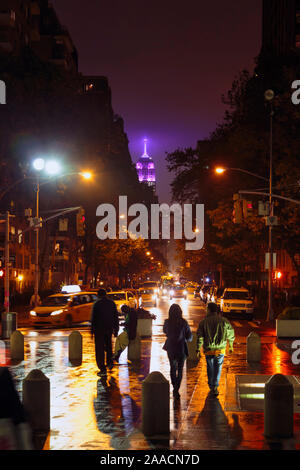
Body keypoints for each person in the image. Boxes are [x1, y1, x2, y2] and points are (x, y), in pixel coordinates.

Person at [197, 302, 235, 396]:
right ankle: (215, 386)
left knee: (210, 368)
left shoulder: (203, 322)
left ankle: (211, 386)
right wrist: (230, 345)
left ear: (209, 310)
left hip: (209, 349)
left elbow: (200, 337)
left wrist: (198, 349)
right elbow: (230, 333)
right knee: (218, 367)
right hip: (220, 349)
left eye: (207, 309)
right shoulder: (224, 321)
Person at [163, 304, 193, 399]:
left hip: (171, 348)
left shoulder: (167, 322)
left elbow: (165, 332)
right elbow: (189, 336)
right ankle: (176, 388)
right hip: (181, 348)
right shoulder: (183, 322)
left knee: (173, 367)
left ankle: (174, 384)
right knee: (180, 369)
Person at [90, 288, 119, 376]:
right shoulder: (111, 303)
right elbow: (115, 317)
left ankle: (102, 369)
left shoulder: (96, 304)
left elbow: (93, 319)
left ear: (98, 295)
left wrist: (92, 331)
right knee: (109, 346)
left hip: (99, 330)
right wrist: (116, 329)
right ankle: (110, 363)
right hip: (109, 329)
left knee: (100, 349)